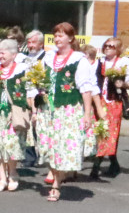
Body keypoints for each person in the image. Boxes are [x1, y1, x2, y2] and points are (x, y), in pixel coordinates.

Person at [34, 22, 98, 201]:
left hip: (69, 109)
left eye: (61, 35)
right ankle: (56, 176)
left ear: (70, 38)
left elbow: (86, 88)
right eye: (55, 35)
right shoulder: (47, 57)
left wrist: (87, 113)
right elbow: (37, 81)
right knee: (48, 145)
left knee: (63, 146)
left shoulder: (79, 60)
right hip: (48, 108)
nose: (57, 38)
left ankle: (56, 184)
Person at [0, 39, 34, 192]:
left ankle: (12, 173)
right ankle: (2, 178)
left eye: (3, 52)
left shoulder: (23, 69)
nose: (0, 56)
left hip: (15, 113)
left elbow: (31, 91)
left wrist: (34, 110)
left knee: (12, 145)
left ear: (14, 54)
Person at [90, 37, 129, 178]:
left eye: (111, 46)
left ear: (118, 49)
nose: (108, 48)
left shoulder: (124, 62)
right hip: (99, 101)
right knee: (98, 131)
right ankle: (114, 163)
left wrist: (122, 84)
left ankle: (96, 167)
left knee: (109, 132)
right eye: (106, 45)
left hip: (114, 102)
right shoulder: (100, 62)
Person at [22, 30, 47, 167]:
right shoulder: (24, 57)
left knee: (39, 127)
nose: (30, 45)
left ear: (41, 44)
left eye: (33, 42)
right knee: (27, 127)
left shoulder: (45, 58)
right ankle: (29, 157)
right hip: (26, 95)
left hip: (39, 96)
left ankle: (44, 155)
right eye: (29, 42)